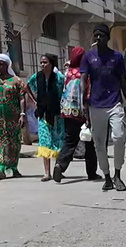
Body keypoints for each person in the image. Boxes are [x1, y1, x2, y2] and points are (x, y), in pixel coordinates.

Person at [81, 23, 126, 192]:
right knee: (99, 143)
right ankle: (106, 176)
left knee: (119, 137)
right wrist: (84, 103)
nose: (98, 38)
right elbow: (83, 80)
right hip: (96, 105)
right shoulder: (88, 57)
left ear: (108, 38)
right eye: (95, 35)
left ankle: (117, 175)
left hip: (114, 103)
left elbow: (124, 82)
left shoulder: (117, 57)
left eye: (102, 35)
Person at [53, 47, 100, 183]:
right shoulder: (85, 73)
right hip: (83, 111)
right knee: (89, 142)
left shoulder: (68, 73)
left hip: (67, 111)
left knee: (69, 141)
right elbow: (87, 93)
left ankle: (60, 165)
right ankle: (92, 172)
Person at [28, 54, 65, 182]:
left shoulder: (59, 78)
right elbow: (26, 86)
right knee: (44, 142)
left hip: (56, 115)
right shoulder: (37, 76)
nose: (43, 65)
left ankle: (57, 169)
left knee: (57, 142)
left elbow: (64, 92)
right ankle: (46, 172)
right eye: (41, 62)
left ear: (51, 64)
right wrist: (34, 101)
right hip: (43, 114)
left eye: (45, 62)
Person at [0, 54, 25, 179]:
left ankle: (13, 168)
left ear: (6, 65)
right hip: (0, 119)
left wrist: (22, 114)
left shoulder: (16, 81)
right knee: (2, 143)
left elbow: (21, 98)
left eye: (1, 64)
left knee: (14, 143)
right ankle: (2, 168)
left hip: (13, 117)